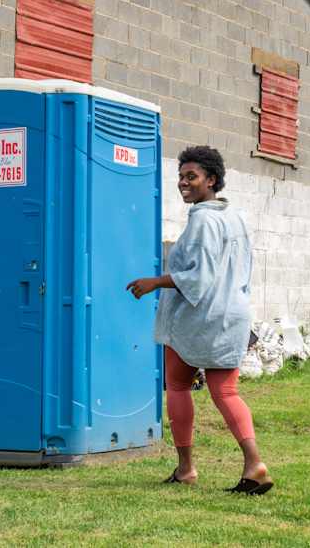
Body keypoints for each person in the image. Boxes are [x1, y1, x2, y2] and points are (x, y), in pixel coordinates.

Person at [126, 145, 272, 495]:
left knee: (177, 386)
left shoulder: (204, 219)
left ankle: (186, 468)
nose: (183, 183)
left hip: (199, 317)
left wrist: (154, 282)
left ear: (212, 180)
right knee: (226, 391)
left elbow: (199, 276)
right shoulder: (234, 216)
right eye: (181, 176)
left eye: (191, 176)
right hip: (232, 313)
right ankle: (254, 464)